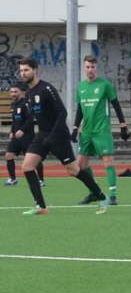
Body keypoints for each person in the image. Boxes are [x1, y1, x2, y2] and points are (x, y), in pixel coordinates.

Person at [17, 57, 108, 215]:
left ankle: (100, 195)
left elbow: (62, 112)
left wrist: (53, 135)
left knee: (73, 170)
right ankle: (41, 206)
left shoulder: (46, 88)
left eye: (26, 70)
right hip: (43, 135)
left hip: (58, 135)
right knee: (27, 166)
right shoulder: (29, 93)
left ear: (35, 70)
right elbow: (35, 117)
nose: (23, 73)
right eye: (21, 71)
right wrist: (24, 131)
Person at [72, 55, 130, 206]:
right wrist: (75, 128)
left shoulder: (105, 85)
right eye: (87, 67)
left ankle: (112, 195)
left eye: (92, 67)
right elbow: (79, 110)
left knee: (108, 162)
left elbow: (116, 104)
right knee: (81, 165)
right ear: (84, 68)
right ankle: (94, 192)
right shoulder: (81, 87)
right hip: (86, 132)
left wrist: (123, 125)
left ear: (96, 68)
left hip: (102, 131)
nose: (90, 70)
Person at [4, 82, 44, 187]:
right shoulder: (14, 104)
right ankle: (13, 179)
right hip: (16, 137)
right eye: (11, 92)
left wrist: (22, 130)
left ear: (22, 92)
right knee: (8, 156)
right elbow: (14, 120)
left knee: (34, 158)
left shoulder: (26, 103)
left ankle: (40, 180)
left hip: (27, 137)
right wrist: (12, 131)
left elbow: (31, 119)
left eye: (15, 92)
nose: (13, 94)